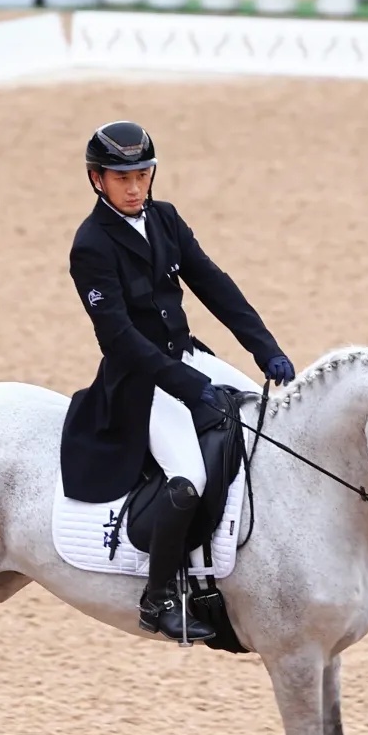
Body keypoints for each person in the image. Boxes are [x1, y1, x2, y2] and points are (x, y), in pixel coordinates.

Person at [59, 121, 295, 643]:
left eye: (142, 175)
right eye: (122, 178)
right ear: (97, 180)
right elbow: (118, 336)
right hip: (139, 380)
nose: (134, 187)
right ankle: (159, 596)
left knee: (266, 422)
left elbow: (214, 283)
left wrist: (265, 346)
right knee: (188, 477)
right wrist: (185, 384)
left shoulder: (164, 218)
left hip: (188, 357)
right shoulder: (91, 245)